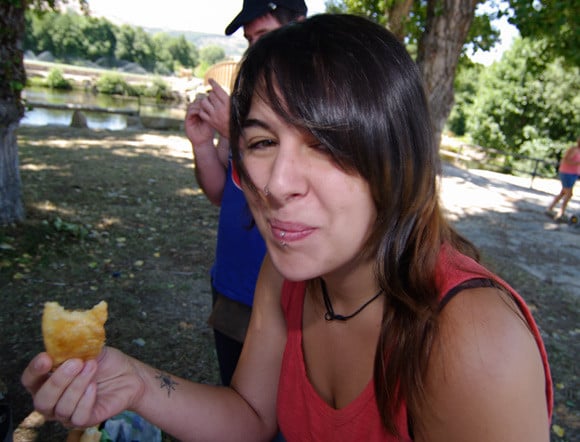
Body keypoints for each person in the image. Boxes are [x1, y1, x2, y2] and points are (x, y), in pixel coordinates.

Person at [22, 14, 553, 441]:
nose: (276, 184)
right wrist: (135, 382)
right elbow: (252, 415)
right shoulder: (285, 278)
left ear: (398, 157)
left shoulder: (472, 343)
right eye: (261, 142)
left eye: (324, 143)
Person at [184, 0, 307, 386]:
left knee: (283, 406)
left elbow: (290, 186)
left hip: (290, 292)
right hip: (233, 282)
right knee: (235, 394)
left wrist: (236, 130)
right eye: (251, 40)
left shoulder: (319, 99)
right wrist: (204, 144)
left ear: (299, 26)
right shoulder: (245, 95)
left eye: (265, 36)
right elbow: (221, 191)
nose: (256, 50)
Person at [546, 137, 580, 220]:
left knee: (563, 192)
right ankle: (561, 212)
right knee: (569, 194)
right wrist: (577, 163)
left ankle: (551, 208)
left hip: (573, 174)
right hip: (566, 173)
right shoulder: (573, 150)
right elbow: (566, 160)